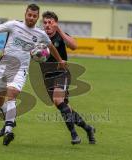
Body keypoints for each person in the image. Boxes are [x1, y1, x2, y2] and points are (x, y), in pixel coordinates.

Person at [0, 4, 66, 146]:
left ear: (37, 18)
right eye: (29, 15)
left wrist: (60, 60)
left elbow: (51, 47)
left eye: (34, 16)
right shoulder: (14, 25)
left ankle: (9, 131)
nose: (31, 18)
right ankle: (11, 119)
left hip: (20, 70)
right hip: (2, 67)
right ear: (25, 14)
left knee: (12, 95)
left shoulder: (40, 34)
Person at [40, 11, 96, 144]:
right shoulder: (40, 37)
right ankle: (88, 128)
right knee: (65, 107)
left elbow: (74, 46)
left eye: (50, 22)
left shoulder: (60, 36)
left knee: (58, 100)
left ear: (55, 23)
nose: (47, 25)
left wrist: (59, 30)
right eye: (45, 22)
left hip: (61, 73)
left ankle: (74, 135)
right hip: (47, 76)